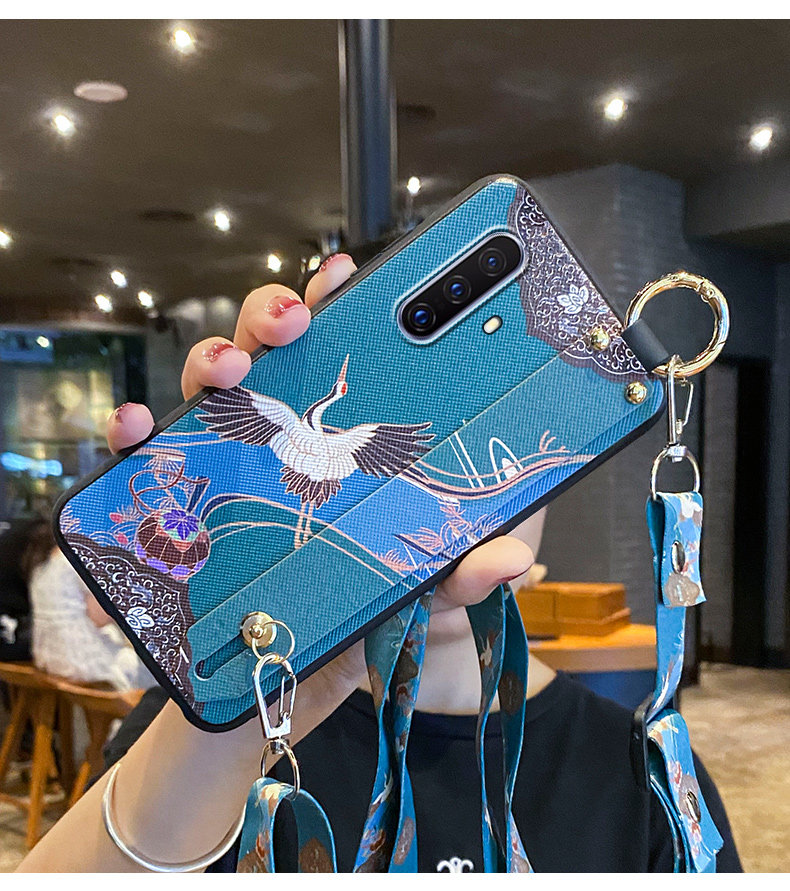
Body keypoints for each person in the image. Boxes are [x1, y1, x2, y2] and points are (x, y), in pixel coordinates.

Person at [17, 254, 741, 872]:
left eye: (478, 426)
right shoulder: (206, 731)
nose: (428, 490)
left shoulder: (644, 780)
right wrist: (238, 724)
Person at [24, 519, 155, 693]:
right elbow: (99, 617)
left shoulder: (44, 560)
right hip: (79, 658)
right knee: (151, 671)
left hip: (49, 656)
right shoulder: (77, 557)